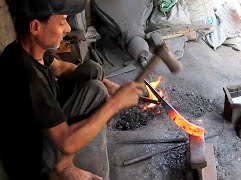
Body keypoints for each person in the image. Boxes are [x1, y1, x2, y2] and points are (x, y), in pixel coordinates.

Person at [0, 0, 145, 179]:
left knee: (93, 70)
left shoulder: (28, 48)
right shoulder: (27, 76)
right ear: (36, 27)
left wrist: (111, 85)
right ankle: (63, 167)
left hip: (42, 124)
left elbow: (61, 68)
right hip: (33, 158)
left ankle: (71, 153)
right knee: (96, 92)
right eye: (61, 22)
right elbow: (66, 143)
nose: (68, 28)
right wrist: (115, 104)